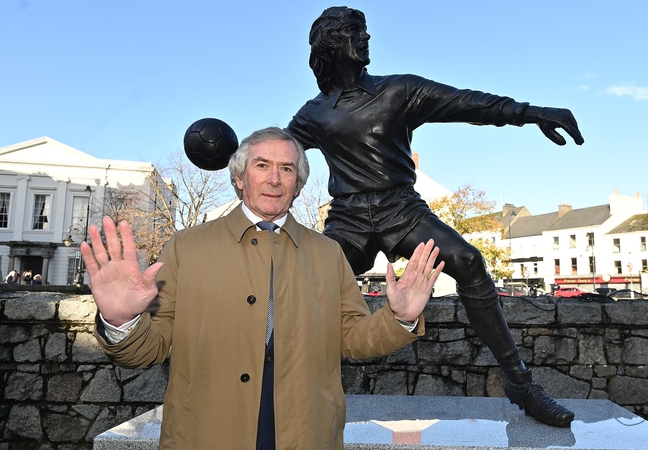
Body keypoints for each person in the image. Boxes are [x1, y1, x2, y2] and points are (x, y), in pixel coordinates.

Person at [286, 6, 584, 427]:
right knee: (299, 280)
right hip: (348, 219)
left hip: (401, 209)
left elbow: (466, 103)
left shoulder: (398, 90)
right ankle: (278, 386)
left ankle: (521, 383)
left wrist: (530, 112)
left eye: (365, 30)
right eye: (356, 32)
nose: (366, 38)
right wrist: (234, 156)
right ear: (333, 43)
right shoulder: (313, 114)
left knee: (468, 260)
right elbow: (274, 153)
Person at [84, 127, 444, 449]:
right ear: (240, 178)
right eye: (262, 166)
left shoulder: (328, 253)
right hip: (205, 433)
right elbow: (148, 350)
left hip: (307, 432)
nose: (275, 178)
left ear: (298, 185)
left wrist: (399, 318)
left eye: (287, 169)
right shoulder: (185, 247)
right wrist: (121, 320)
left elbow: (353, 337)